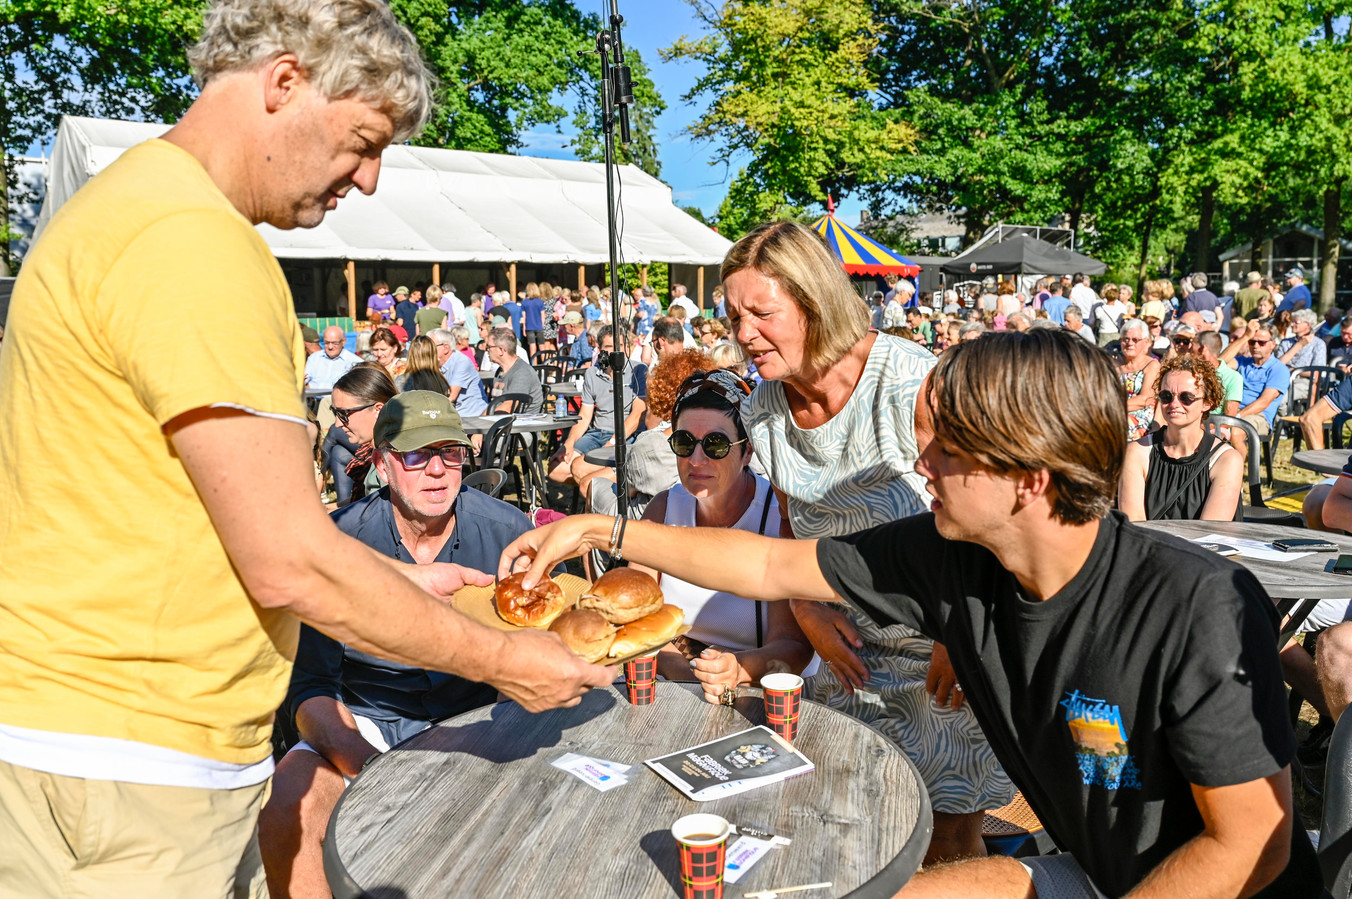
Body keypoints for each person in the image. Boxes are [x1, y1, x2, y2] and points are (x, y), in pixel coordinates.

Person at [0, 5, 611, 892]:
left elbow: (210, 534)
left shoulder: (128, 206)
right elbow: (290, 561)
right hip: (126, 767)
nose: (366, 181)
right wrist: (507, 661)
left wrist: (403, 584)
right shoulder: (193, 242)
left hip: (101, 750)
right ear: (285, 81)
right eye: (362, 141)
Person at [503, 329, 1321, 899]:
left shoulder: (1196, 604)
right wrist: (600, 526)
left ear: (1028, 475)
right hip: (1096, 871)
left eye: (945, 450)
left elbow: (1253, 843)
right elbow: (769, 562)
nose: (917, 463)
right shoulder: (954, 554)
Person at [716, 222, 1011, 864]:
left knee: (947, 837)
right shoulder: (763, 408)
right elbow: (795, 526)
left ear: (815, 304)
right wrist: (806, 610)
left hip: (944, 650)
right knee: (844, 823)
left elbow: (986, 523)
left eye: (761, 313)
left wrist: (958, 634)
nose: (742, 335)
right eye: (733, 315)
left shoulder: (914, 385)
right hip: (853, 655)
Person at [259, 391, 550, 898]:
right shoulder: (340, 540)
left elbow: (541, 657)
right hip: (366, 723)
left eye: (450, 452)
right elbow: (310, 693)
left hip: (477, 719)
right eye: (416, 454)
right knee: (289, 803)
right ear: (382, 463)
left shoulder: (509, 532)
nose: (437, 470)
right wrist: (374, 768)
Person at [632, 369, 817, 703]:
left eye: (715, 444)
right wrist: (695, 671)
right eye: (684, 442)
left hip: (765, 698)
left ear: (748, 452)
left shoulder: (780, 516)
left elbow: (794, 646)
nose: (696, 459)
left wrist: (737, 668)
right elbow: (632, 623)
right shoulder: (662, 509)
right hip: (681, 693)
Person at [1118, 355, 1242, 521]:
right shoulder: (1137, 452)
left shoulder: (1226, 459)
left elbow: (1211, 535)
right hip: (1148, 545)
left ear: (1208, 403)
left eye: (1186, 397)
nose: (1174, 404)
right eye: (1166, 396)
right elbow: (1134, 526)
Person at [550, 325, 648, 488]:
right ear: (600, 349)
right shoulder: (592, 373)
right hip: (597, 433)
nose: (617, 351)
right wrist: (569, 442)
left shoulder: (638, 370)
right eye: (609, 347)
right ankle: (599, 490)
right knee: (556, 469)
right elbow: (585, 415)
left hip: (628, 435)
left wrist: (612, 443)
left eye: (621, 346)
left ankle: (594, 498)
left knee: (579, 468)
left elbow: (639, 414)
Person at [1220, 320, 1290, 452]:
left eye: (1262, 342)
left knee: (1235, 431)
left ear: (1273, 344)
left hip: (1259, 416)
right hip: (1232, 410)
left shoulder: (1278, 369)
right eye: (1252, 342)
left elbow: (1264, 402)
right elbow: (1219, 364)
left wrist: (1237, 416)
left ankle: (1237, 471)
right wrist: (1245, 336)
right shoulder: (1242, 361)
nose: (1256, 346)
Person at [1118, 318, 1160, 441]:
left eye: (1135, 340)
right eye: (1126, 339)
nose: (1130, 343)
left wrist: (1112, 408)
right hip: (1113, 412)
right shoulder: (1115, 365)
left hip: (1139, 417)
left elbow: (1144, 400)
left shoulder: (1152, 365)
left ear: (1146, 342)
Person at [487, 327, 543, 414]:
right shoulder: (500, 371)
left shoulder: (522, 373)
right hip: (500, 422)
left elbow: (506, 409)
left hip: (520, 425)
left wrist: (481, 422)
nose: (486, 350)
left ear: (501, 350)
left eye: (489, 346)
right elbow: (492, 406)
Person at [439, 327, 489, 418]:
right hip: (458, 413)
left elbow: (452, 396)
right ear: (459, 340)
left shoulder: (463, 358)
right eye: (467, 338)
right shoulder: (446, 359)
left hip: (471, 416)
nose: (469, 340)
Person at [304, 325, 362, 390]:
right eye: (326, 343)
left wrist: (312, 386)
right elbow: (304, 380)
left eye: (334, 343)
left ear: (343, 342)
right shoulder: (314, 358)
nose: (330, 347)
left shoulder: (355, 362)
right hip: (313, 398)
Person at [521, 282, 546, 358]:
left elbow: (523, 317)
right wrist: (542, 325)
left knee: (532, 347)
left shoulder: (524, 302)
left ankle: (534, 366)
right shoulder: (540, 301)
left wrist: (524, 328)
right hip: (539, 327)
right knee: (542, 347)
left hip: (529, 327)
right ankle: (544, 365)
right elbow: (543, 316)